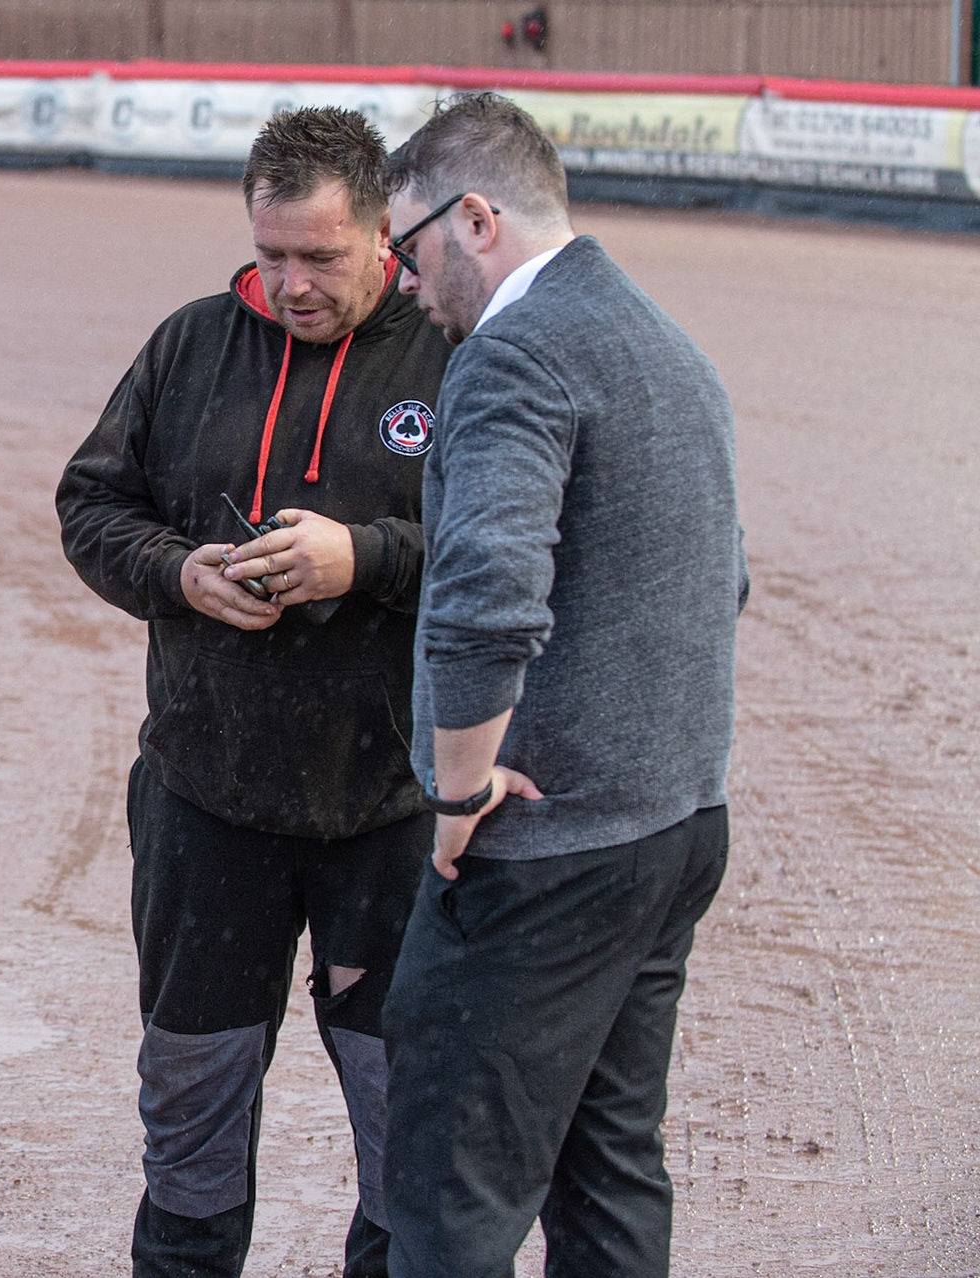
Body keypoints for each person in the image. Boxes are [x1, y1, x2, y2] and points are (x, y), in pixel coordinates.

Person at [57, 107, 450, 1278]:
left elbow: (508, 548)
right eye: (270, 253)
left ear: (386, 232)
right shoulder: (190, 346)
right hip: (205, 802)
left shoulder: (452, 351)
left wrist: (363, 558)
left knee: (407, 1122)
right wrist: (176, 573)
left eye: (320, 257)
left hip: (392, 810)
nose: (290, 283)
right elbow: (91, 509)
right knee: (192, 1113)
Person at [378, 92, 746, 1277]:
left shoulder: (516, 354)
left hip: (546, 852)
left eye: (408, 248)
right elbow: (723, 583)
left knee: (447, 1196)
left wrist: (457, 789)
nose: (405, 282)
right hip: (675, 826)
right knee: (610, 1173)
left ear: (474, 218)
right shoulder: (664, 340)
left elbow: (487, 592)